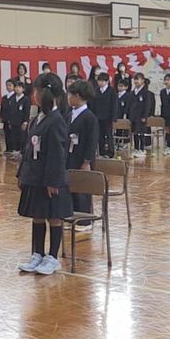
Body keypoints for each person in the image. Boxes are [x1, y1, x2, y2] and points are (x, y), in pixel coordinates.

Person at [16, 77, 72, 276]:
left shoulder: (56, 120)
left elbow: (58, 154)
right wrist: (21, 174)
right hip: (34, 177)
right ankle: (37, 254)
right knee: (38, 216)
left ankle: (52, 257)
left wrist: (53, 181)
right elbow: (28, 148)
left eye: (36, 91)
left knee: (54, 217)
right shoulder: (37, 118)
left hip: (50, 179)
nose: (34, 95)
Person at [65, 79, 99, 234]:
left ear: (77, 96)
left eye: (70, 94)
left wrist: (87, 161)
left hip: (82, 157)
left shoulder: (89, 117)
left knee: (82, 189)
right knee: (70, 186)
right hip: (69, 155)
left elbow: (92, 141)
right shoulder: (69, 114)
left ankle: (85, 220)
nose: (68, 97)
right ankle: (70, 214)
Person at [90, 72, 117, 157]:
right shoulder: (96, 90)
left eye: (102, 81)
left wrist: (114, 118)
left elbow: (114, 104)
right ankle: (101, 152)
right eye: (99, 81)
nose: (100, 83)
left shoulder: (112, 90)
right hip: (98, 116)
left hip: (108, 117)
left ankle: (110, 152)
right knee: (99, 135)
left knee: (109, 135)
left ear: (107, 81)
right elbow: (92, 104)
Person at [130, 73, 154, 157]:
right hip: (134, 116)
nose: (136, 81)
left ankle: (142, 149)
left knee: (141, 133)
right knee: (135, 133)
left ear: (142, 81)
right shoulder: (133, 92)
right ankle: (136, 148)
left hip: (141, 117)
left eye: (138, 79)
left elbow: (147, 105)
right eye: (135, 79)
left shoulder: (146, 92)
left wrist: (145, 116)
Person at [11, 80, 30, 159]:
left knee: (22, 138)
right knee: (14, 137)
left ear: (23, 89)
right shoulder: (12, 98)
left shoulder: (26, 99)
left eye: (19, 87)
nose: (17, 89)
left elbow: (27, 111)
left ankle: (22, 153)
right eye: (16, 87)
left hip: (22, 122)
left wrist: (25, 122)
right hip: (13, 122)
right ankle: (15, 152)